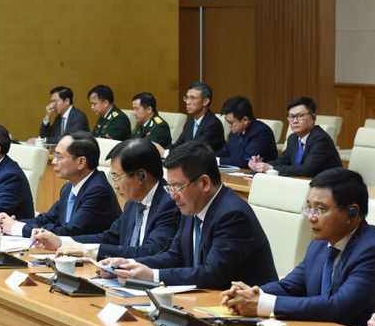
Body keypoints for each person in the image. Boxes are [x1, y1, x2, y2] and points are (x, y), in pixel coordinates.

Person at [100, 141, 278, 289]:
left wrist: (152, 275)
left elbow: (212, 274)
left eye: (177, 187)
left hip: (245, 313)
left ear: (204, 183)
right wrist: (129, 265)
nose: (172, 195)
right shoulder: (191, 206)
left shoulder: (233, 215)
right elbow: (174, 257)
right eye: (170, 188)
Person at [221, 168, 375, 326]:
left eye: (321, 209)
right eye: (309, 208)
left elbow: (338, 306)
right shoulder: (319, 244)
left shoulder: (373, 250)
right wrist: (250, 294)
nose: (311, 217)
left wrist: (262, 303)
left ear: (352, 213)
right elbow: (289, 286)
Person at [31, 138, 181, 260]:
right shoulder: (133, 203)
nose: (115, 185)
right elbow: (109, 237)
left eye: (117, 177)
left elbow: (150, 251)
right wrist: (62, 242)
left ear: (141, 176)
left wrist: (88, 250)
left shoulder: (170, 203)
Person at [0, 132, 120, 237]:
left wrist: (17, 228)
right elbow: (46, 219)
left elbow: (68, 232)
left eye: (59, 157)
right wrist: (10, 222)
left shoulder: (98, 191)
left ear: (81, 162)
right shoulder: (69, 187)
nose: (53, 162)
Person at [249, 96, 342, 177]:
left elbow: (306, 170)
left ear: (313, 117)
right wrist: (261, 164)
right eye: (291, 117)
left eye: (300, 116)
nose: (295, 121)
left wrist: (271, 168)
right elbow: (281, 161)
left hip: (328, 188)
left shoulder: (320, 139)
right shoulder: (293, 138)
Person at [215, 96, 277, 167]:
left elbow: (245, 160)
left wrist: (218, 161)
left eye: (231, 122)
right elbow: (225, 152)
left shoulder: (262, 132)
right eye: (227, 122)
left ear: (245, 120)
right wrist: (210, 158)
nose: (229, 125)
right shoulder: (235, 132)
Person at [168, 82, 225, 152]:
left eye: (193, 98)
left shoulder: (213, 124)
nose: (187, 102)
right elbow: (177, 146)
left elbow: (196, 151)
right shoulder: (190, 123)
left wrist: (166, 153)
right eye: (186, 98)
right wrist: (161, 151)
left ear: (205, 101)